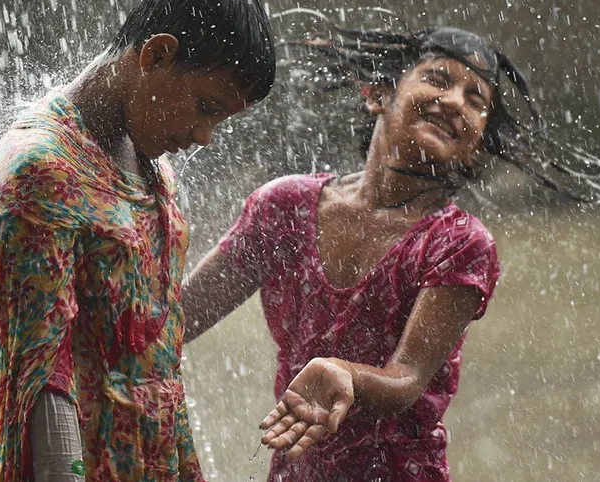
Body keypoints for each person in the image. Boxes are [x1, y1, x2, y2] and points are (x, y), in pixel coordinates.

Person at [0, 0, 275, 482]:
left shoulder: (149, 164)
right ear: (156, 54)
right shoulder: (42, 171)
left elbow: (150, 350)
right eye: (205, 107)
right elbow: (42, 381)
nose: (204, 136)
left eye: (220, 119)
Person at [181, 25, 512, 481]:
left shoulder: (459, 244)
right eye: (438, 79)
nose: (456, 101)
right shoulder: (285, 208)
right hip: (296, 468)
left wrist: (345, 374)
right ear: (379, 94)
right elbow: (176, 320)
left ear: (474, 147)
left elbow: (407, 379)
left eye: (476, 101)